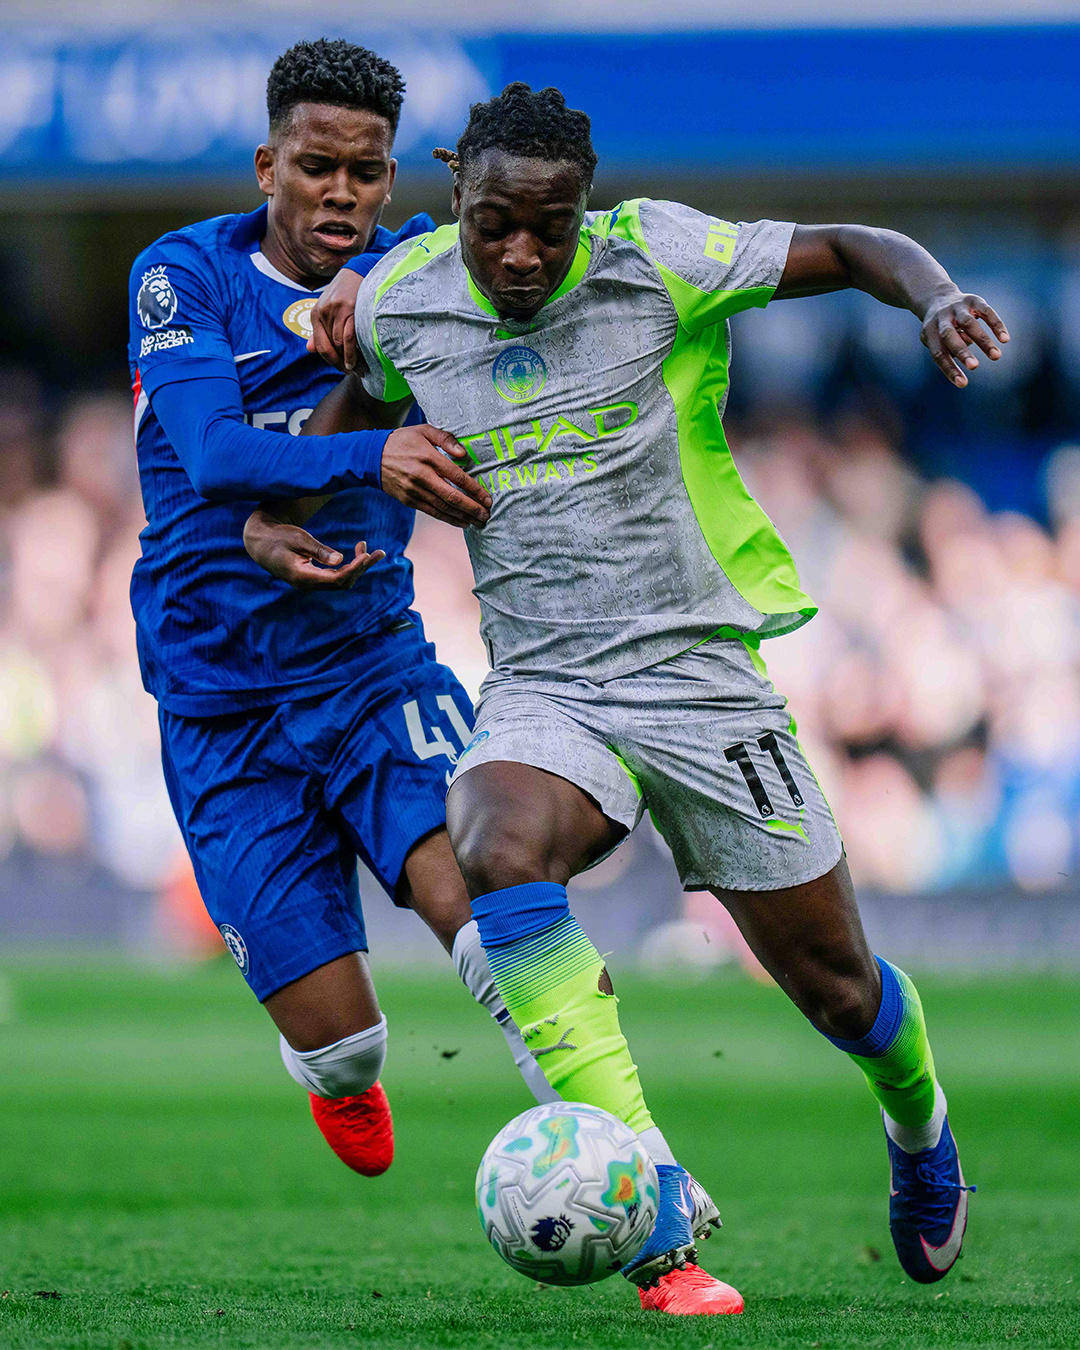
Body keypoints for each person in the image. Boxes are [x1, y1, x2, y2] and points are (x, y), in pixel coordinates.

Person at [246, 83, 1008, 1311]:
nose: (522, 254)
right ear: (457, 194)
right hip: (545, 685)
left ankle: (918, 1124)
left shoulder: (658, 257)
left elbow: (853, 244)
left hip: (702, 680)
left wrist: (935, 296)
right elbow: (363, 407)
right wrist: (286, 509)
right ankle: (652, 1196)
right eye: (495, 225)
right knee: (491, 840)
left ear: (586, 210)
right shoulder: (402, 299)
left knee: (841, 990)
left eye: (551, 228)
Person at [127, 38, 558, 1186]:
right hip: (221, 700)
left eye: (365, 173)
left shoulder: (413, 268)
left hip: (371, 666)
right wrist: (377, 453)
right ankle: (336, 1068)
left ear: (388, 179)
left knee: (490, 913)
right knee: (344, 1046)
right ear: (268, 165)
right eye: (316, 167)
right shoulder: (182, 275)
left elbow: (495, 248)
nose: (339, 194)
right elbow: (216, 455)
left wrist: (395, 269)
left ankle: (640, 1186)